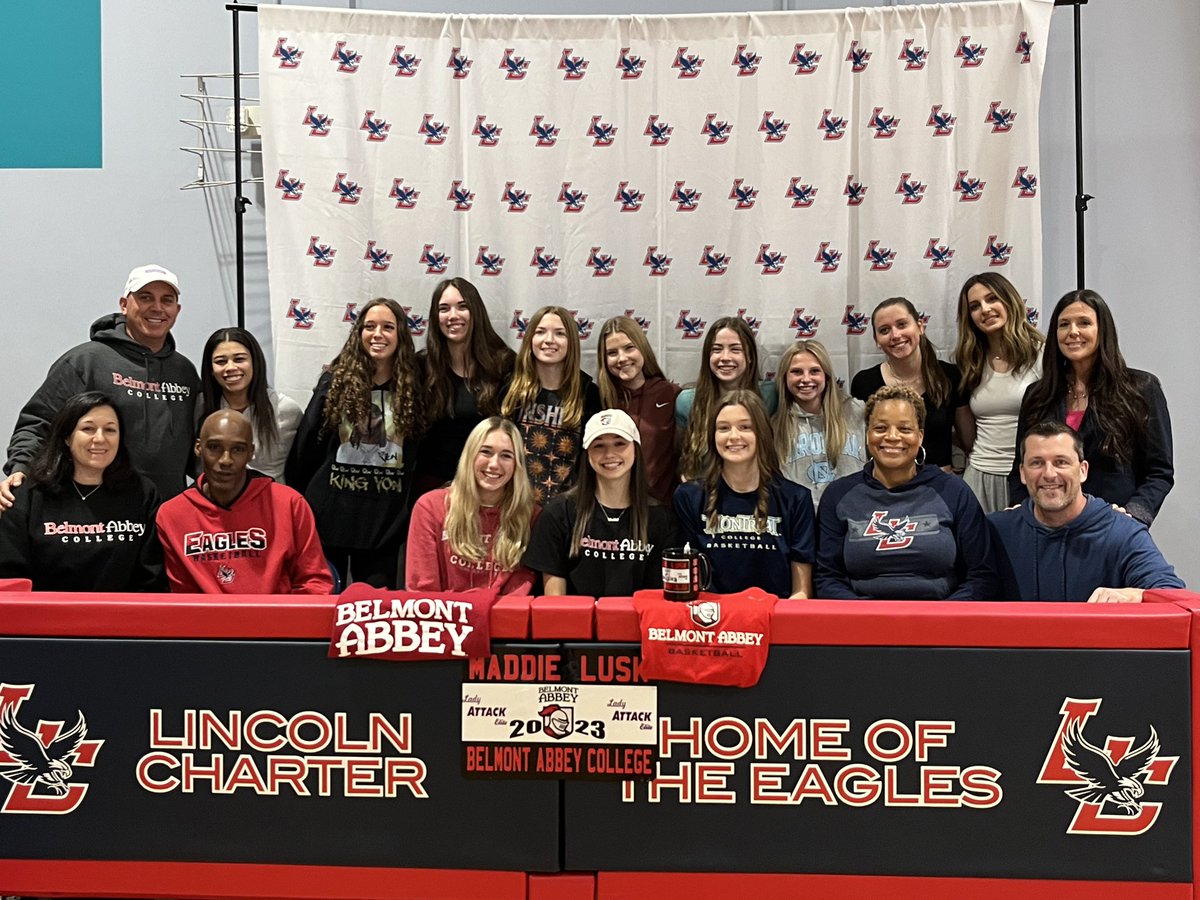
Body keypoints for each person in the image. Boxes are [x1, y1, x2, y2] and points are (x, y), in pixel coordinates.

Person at [2, 264, 200, 505]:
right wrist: (20, 468)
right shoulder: (85, 362)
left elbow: (202, 445)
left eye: (166, 300)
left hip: (167, 512)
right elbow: (38, 423)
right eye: (145, 297)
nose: (157, 307)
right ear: (124, 305)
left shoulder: (185, 372)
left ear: (177, 310)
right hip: (94, 515)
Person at [286, 298, 425, 588]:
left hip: (382, 530)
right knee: (322, 609)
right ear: (358, 333)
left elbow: (419, 457)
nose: (377, 334)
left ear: (400, 334)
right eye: (369, 326)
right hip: (328, 522)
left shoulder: (415, 388)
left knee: (375, 614)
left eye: (388, 327)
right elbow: (305, 450)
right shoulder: (334, 382)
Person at [1009, 289, 1173, 526]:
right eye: (1064, 324)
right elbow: (1019, 468)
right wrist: (1023, 514)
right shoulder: (1037, 394)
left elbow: (1159, 472)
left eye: (1084, 323)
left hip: (1112, 528)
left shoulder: (1141, 389)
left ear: (1102, 331)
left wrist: (1133, 515)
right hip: (1047, 528)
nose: (1073, 332)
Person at [817, 385, 998, 600]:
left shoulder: (953, 491)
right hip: (863, 624)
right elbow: (827, 578)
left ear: (920, 436)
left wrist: (943, 618)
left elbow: (982, 575)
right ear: (867, 435)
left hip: (940, 622)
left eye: (904, 429)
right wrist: (865, 619)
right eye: (881, 428)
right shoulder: (838, 495)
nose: (892, 437)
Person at [989, 422, 1183, 603]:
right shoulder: (996, 530)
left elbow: (1173, 595)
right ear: (1022, 473)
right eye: (1037, 463)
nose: (1049, 474)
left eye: (1061, 462)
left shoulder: (1122, 533)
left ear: (1083, 470)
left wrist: (1135, 594)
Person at [0, 392, 164, 591]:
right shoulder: (28, 494)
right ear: (67, 437)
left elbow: (151, 578)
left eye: (110, 430)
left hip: (122, 618)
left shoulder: (143, 493)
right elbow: (11, 576)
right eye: (88, 428)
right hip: (43, 618)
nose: (100, 438)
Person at [158, 411, 332, 594]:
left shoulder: (289, 504)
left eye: (238, 449)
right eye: (214, 447)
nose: (226, 460)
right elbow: (180, 597)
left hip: (275, 620)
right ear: (198, 448)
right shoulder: (172, 516)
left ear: (251, 452)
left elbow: (315, 582)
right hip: (206, 621)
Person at [674, 391, 814, 599]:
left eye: (745, 427)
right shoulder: (689, 497)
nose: (733, 436)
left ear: (762, 433)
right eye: (723, 428)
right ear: (713, 436)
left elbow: (801, 592)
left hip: (772, 621)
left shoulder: (795, 499)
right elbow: (684, 582)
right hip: (710, 622)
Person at [524, 409, 677, 596]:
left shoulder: (661, 519)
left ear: (636, 449)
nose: (609, 454)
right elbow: (554, 605)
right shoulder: (558, 514)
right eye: (598, 446)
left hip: (635, 624)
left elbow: (656, 600)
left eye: (619, 443)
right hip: (575, 624)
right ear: (587, 455)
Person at [407, 417, 538, 594]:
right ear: (470, 455)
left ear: (517, 465)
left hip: (501, 619)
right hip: (443, 619)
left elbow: (517, 596)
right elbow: (422, 592)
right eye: (486, 452)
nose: (494, 464)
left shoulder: (531, 515)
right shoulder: (430, 507)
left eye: (506, 456)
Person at [412, 278, 516, 499]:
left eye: (462, 306)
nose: (453, 316)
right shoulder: (421, 366)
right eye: (444, 309)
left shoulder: (504, 365)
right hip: (432, 489)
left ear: (475, 312)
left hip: (489, 486)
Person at [954, 274, 1044, 512]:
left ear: (1009, 301)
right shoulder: (969, 362)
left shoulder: (1042, 355)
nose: (985, 309)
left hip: (1030, 478)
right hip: (979, 477)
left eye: (992, 299)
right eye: (975, 306)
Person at [851, 297, 965, 470]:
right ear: (877, 340)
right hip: (887, 488)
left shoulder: (951, 376)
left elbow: (968, 442)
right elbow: (861, 446)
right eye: (884, 330)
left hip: (940, 487)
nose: (895, 335)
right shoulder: (864, 383)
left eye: (902, 325)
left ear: (920, 327)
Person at [501, 306, 601, 504]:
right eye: (540, 332)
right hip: (514, 506)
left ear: (571, 342)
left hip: (567, 509)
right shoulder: (510, 389)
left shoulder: (589, 393)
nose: (549, 340)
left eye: (560, 333)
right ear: (530, 339)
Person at [676, 317, 778, 481]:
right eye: (716, 349)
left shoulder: (770, 395)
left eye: (735, 349)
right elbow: (682, 460)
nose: (725, 357)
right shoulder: (688, 402)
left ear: (750, 356)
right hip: (708, 496)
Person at [198, 327, 303, 482]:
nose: (231, 367)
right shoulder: (200, 406)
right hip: (215, 502)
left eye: (239, 359)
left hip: (271, 502)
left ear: (255, 362)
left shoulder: (286, 409)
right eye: (221, 361)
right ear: (211, 370)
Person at [596, 316, 681, 504]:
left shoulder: (672, 395)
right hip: (614, 510)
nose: (622, 358)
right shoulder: (599, 401)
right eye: (612, 353)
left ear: (642, 348)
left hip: (662, 510)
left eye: (629, 348)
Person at [772, 340, 867, 507]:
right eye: (796, 372)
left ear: (827, 375)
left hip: (852, 516)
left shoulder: (856, 411)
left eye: (815, 371)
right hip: (802, 522)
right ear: (784, 377)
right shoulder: (775, 425)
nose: (806, 379)